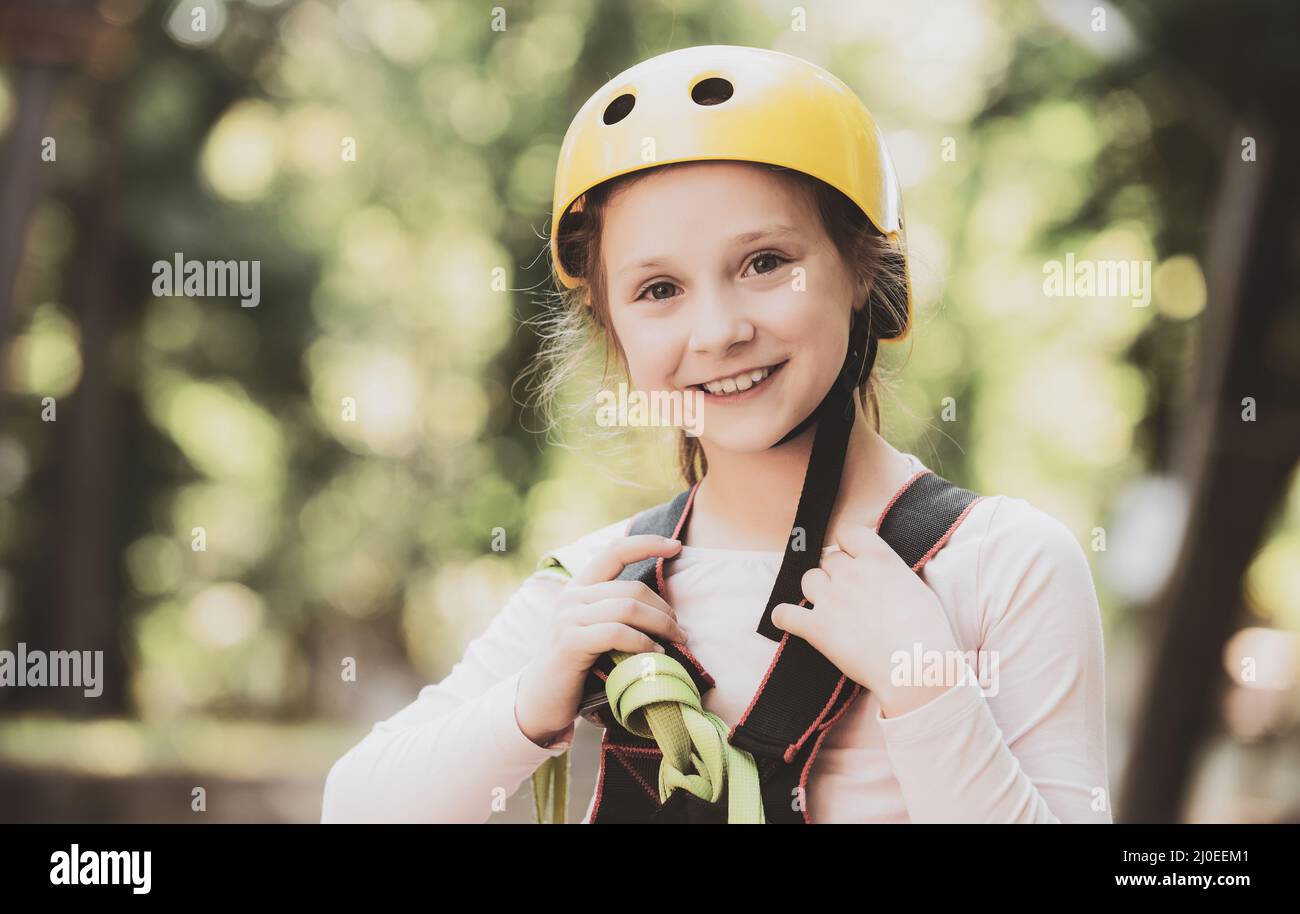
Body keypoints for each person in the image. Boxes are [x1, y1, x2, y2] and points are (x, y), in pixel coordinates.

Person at [321, 45, 1110, 824]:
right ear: (611, 326)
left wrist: (929, 690)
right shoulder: (601, 591)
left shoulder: (1000, 567)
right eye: (658, 289)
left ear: (863, 265)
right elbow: (354, 807)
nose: (719, 330)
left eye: (766, 263)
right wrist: (532, 700)